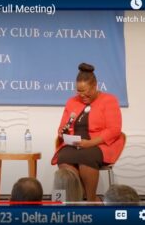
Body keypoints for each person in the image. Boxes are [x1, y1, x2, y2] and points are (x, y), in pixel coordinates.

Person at [51, 62, 124, 202]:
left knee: (86, 156)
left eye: (85, 91)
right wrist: (62, 132)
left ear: (95, 86)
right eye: (79, 91)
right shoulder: (72, 101)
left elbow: (114, 129)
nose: (82, 95)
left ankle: (90, 200)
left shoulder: (109, 100)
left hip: (98, 144)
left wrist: (90, 143)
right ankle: (73, 200)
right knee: (63, 158)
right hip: (74, 143)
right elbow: (62, 126)